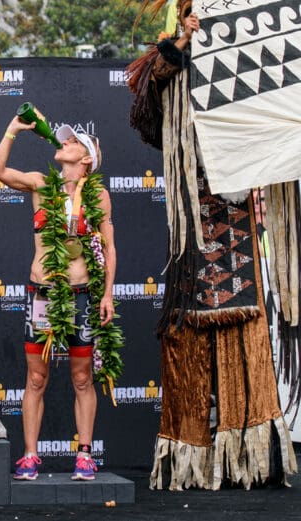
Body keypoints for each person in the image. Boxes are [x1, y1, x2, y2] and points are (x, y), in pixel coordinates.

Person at [126, 1, 297, 489]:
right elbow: (144, 109)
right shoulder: (172, 61)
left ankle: (251, 456)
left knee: (247, 335)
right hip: (193, 217)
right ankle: (190, 454)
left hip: (238, 207)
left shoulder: (252, 59)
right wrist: (181, 43)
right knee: (185, 338)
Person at [0, 117, 122, 481]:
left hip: (81, 295)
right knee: (35, 379)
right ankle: (30, 455)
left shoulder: (98, 196)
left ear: (87, 159)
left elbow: (109, 250)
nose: (63, 144)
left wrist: (107, 292)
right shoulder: (41, 183)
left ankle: (84, 455)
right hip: (42, 293)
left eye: (73, 142)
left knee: (82, 380)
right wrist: (12, 130)